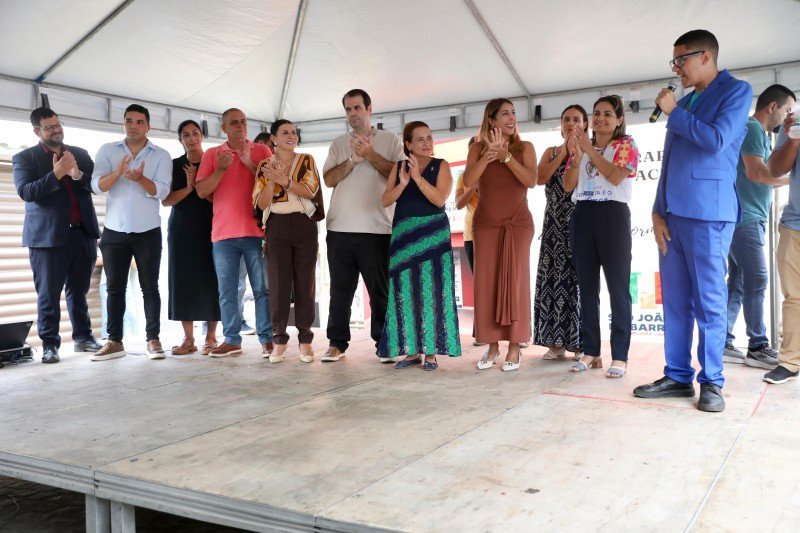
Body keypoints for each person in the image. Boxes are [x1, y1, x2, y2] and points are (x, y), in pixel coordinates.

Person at [634, 30, 752, 412]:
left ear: (705, 56)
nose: (676, 69)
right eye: (674, 62)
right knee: (675, 302)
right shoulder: (684, 103)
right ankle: (677, 376)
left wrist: (675, 113)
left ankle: (712, 381)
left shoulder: (736, 91)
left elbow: (717, 140)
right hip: (672, 216)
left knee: (710, 303)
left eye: (680, 60)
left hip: (709, 214)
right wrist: (657, 210)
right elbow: (668, 163)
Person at [12, 107, 101, 363]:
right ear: (37, 131)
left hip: (82, 234)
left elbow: (95, 185)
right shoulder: (25, 158)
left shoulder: (80, 154)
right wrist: (57, 174)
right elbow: (26, 192)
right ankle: (50, 344)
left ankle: (83, 338)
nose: (56, 130)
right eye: (49, 127)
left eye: (58, 124)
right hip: (47, 239)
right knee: (48, 295)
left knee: (79, 291)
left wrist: (77, 174)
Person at [321, 89, 404, 363]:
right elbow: (329, 180)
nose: (352, 113)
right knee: (340, 291)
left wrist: (370, 154)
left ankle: (384, 343)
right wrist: (351, 161)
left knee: (379, 291)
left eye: (357, 107)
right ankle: (336, 343)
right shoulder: (338, 143)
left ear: (370, 109)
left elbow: (398, 173)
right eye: (348, 109)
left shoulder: (390, 140)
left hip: (377, 228)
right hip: (339, 228)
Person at [563, 96, 638, 378]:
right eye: (596, 113)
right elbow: (568, 185)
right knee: (587, 288)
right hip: (583, 214)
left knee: (618, 288)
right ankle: (591, 350)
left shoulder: (625, 144)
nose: (600, 118)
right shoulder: (581, 145)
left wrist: (589, 151)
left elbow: (616, 177)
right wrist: (576, 157)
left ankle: (620, 355)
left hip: (612, 215)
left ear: (619, 119)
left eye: (607, 113)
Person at [91, 104, 173, 361]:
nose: (133, 126)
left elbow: (162, 191)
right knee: (114, 288)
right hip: (114, 230)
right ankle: (114, 341)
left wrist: (140, 179)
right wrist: (118, 173)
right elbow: (97, 186)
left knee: (150, 287)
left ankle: (153, 339)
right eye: (129, 121)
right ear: (124, 123)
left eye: (139, 122)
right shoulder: (108, 150)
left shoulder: (161, 155)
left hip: (147, 230)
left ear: (148, 126)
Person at [377, 121, 461, 370]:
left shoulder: (441, 165)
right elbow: (385, 200)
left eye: (429, 138)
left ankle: (431, 352)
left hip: (433, 235)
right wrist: (403, 183)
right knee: (405, 293)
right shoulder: (399, 167)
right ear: (408, 144)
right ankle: (412, 351)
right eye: (420, 139)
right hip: (404, 236)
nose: (427, 143)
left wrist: (417, 178)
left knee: (433, 292)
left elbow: (439, 199)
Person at [724, 85, 794, 369]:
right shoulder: (753, 128)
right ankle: (757, 346)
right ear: (773, 107)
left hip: (746, 216)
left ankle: (722, 342)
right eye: (788, 109)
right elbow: (756, 173)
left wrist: (784, 178)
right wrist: (792, 179)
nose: (789, 116)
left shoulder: (758, 132)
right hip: (746, 218)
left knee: (739, 282)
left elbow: (762, 176)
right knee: (757, 279)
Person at [463, 98, 536, 372]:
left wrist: (506, 157)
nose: (511, 117)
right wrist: (488, 154)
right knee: (487, 284)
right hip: (486, 224)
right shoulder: (476, 148)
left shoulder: (525, 147)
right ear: (491, 120)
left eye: (513, 113)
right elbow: (469, 181)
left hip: (518, 224)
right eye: (505, 113)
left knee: (515, 282)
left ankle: (515, 346)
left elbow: (530, 181)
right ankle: (492, 346)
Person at [196, 108, 274, 357]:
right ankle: (231, 340)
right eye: (234, 123)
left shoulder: (262, 151)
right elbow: (201, 191)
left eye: (243, 122)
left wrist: (250, 164)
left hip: (257, 232)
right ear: (223, 128)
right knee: (227, 292)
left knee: (262, 289)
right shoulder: (213, 154)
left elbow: (274, 185)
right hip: (223, 235)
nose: (240, 126)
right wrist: (220, 169)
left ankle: (267, 339)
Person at [254, 119, 323, 364]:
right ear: (273, 138)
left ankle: (305, 340)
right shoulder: (264, 165)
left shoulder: (307, 160)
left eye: (293, 132)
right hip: (277, 225)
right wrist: (273, 181)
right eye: (285, 132)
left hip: (304, 224)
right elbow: (261, 203)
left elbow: (310, 191)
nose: (291, 136)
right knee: (278, 284)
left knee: (305, 282)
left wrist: (285, 181)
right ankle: (279, 340)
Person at [533, 105, 587, 361]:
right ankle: (555, 342)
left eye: (576, 119)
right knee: (553, 280)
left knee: (577, 282)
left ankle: (579, 343)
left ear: (585, 124)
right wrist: (564, 151)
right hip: (553, 224)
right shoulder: (551, 151)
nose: (571, 123)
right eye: (566, 119)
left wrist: (577, 151)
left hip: (580, 221)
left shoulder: (591, 151)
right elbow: (540, 178)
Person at [163, 120, 220, 355]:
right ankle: (188, 338)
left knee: (211, 280)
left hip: (212, 227)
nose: (191, 138)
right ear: (180, 139)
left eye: (195, 133)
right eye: (186, 134)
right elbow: (166, 200)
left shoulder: (214, 161)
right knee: (182, 281)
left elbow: (220, 199)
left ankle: (211, 337)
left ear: (202, 136)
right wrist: (188, 187)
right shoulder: (174, 165)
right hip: (181, 230)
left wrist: (199, 185)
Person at [763, 101, 800, 384]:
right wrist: (792, 138)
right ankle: (790, 362)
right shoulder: (794, 119)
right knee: (795, 298)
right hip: (794, 224)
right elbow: (775, 169)